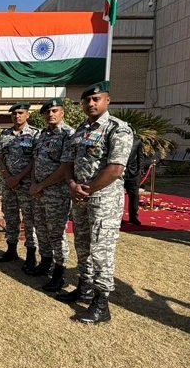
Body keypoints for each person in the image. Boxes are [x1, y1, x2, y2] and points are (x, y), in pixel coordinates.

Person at [55, 82, 133, 325]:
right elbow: (68, 163)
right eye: (87, 100)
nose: (91, 103)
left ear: (107, 100)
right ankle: (85, 288)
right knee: (83, 246)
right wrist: (72, 185)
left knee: (101, 250)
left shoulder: (118, 129)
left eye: (96, 99)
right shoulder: (80, 131)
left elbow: (116, 168)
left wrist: (87, 189)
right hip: (80, 198)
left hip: (103, 201)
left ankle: (101, 303)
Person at [27, 98, 74, 289]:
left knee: (56, 233)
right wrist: (34, 184)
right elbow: (35, 161)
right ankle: (45, 263)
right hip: (39, 192)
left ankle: (59, 273)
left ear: (62, 112)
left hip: (57, 193)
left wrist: (40, 186)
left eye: (54, 111)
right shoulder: (42, 135)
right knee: (41, 229)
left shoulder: (68, 134)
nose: (51, 114)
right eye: (47, 112)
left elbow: (65, 168)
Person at [0, 103, 39, 271]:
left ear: (28, 115)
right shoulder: (5, 134)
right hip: (8, 185)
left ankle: (30, 254)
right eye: (14, 113)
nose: (17, 116)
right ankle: (11, 249)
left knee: (29, 219)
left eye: (20, 113)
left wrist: (18, 178)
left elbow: (35, 160)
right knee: (10, 217)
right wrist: (8, 177)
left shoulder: (35, 134)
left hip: (26, 184)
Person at [123, 134, 146, 225]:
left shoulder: (137, 141)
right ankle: (118, 217)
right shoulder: (116, 138)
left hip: (133, 173)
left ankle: (133, 217)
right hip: (119, 172)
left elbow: (140, 157)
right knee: (118, 196)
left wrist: (140, 171)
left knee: (134, 195)